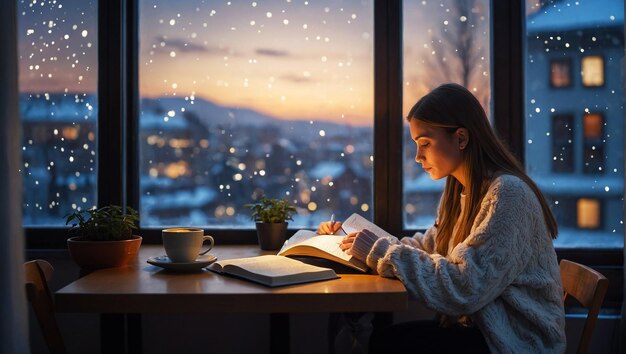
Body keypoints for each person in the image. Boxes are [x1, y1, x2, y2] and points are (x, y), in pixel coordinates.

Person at [318, 83, 566, 353]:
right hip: (482, 331)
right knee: (383, 339)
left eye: (425, 143)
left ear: (461, 138)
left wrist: (379, 250)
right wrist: (360, 240)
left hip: (514, 343)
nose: (417, 156)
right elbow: (430, 246)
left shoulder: (508, 195)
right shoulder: (463, 191)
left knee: (384, 343)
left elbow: (464, 288)